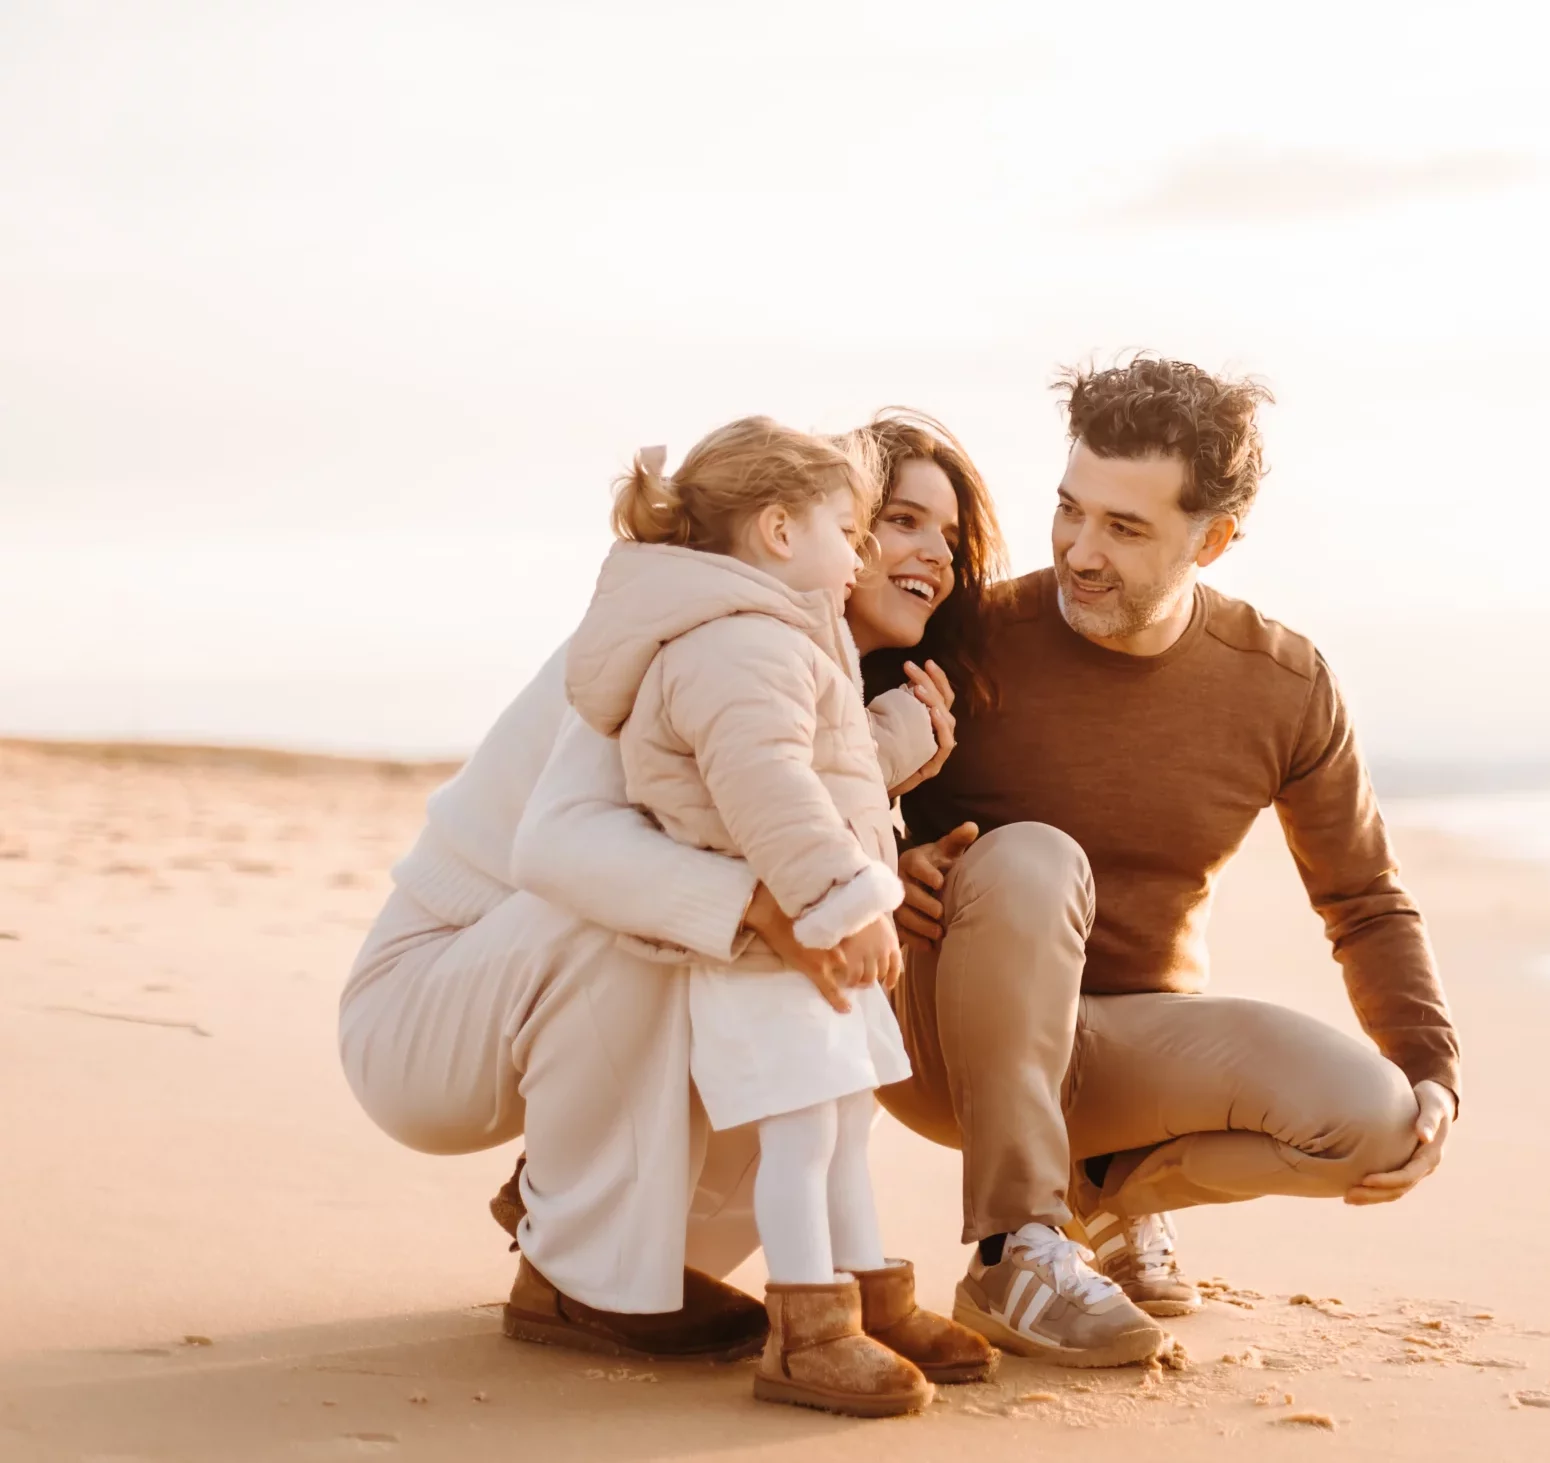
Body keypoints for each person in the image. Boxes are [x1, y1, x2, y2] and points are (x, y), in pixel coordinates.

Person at [337, 409, 1006, 1363]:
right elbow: (561, 848)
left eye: (949, 536)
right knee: (685, 928)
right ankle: (579, 1267)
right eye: (896, 520)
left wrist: (884, 843)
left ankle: (653, 1255)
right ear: (797, 526)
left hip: (534, 997)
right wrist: (772, 905)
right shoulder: (669, 629)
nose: (931, 554)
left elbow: (750, 816)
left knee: (807, 1030)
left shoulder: (817, 678)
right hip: (427, 1014)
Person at [878, 356, 1463, 1367]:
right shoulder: (963, 636)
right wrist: (890, 862)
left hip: (1126, 1054)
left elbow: (1365, 898)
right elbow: (805, 777)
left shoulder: (1282, 683)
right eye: (1070, 510)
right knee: (1032, 860)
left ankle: (1109, 1194)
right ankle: (1016, 1244)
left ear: (1213, 539)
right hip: (948, 1042)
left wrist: (1431, 1069)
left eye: (1125, 527)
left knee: (1378, 1121)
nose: (1081, 551)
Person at [558, 416, 991, 1416]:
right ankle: (809, 1331)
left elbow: (818, 770)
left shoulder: (773, 640)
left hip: (797, 941)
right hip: (767, 951)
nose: (861, 555)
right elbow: (770, 793)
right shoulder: (737, 644)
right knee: (801, 1137)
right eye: (851, 530)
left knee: (840, 1128)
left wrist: (898, 738)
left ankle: (868, 1296)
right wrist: (848, 901)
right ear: (780, 531)